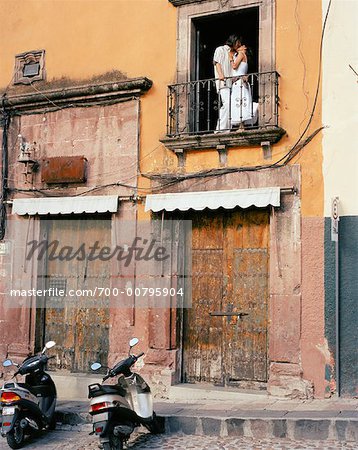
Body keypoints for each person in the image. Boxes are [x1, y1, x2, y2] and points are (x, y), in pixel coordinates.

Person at [213, 34, 241, 132]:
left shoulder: (234, 54)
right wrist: (221, 75)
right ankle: (220, 129)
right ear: (234, 41)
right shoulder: (220, 49)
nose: (239, 45)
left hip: (231, 83)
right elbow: (217, 63)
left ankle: (226, 129)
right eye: (238, 42)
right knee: (227, 104)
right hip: (223, 83)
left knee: (230, 105)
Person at [230, 38, 258, 128]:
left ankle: (241, 126)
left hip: (239, 83)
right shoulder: (243, 56)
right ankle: (241, 126)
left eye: (240, 45)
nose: (238, 47)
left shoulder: (241, 54)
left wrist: (230, 58)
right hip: (241, 82)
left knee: (240, 103)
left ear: (243, 47)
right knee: (242, 102)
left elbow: (234, 66)